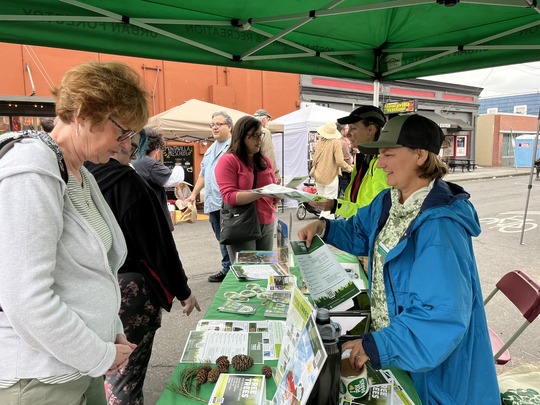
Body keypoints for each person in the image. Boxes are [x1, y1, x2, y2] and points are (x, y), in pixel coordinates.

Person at [298, 114, 500, 404]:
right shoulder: (389, 199)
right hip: (399, 346)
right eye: (380, 155)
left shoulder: (440, 229)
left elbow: (440, 315)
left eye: (389, 154)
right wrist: (325, 227)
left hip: (432, 369)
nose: (380, 164)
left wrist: (378, 346)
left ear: (420, 155)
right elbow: (359, 230)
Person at [0, 61, 149, 405]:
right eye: (122, 131)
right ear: (84, 113)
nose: (125, 145)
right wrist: (98, 354)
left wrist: (111, 336)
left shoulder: (79, 172)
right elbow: (26, 298)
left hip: (78, 365)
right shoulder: (32, 171)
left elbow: (94, 272)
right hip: (40, 378)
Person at [86, 136, 200, 405]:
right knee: (125, 378)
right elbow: (159, 247)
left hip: (89, 287)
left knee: (98, 373)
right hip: (130, 289)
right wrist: (183, 290)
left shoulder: (81, 175)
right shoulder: (129, 183)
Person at [215, 115, 277, 261]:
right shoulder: (228, 160)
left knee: (266, 268)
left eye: (260, 135)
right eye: (254, 136)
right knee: (247, 272)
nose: (259, 140)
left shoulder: (265, 161)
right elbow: (229, 196)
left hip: (267, 221)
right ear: (241, 136)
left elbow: (273, 192)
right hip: (242, 223)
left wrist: (279, 193)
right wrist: (261, 193)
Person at [309, 105, 388, 219]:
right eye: (348, 128)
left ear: (370, 130)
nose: (348, 133)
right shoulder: (363, 160)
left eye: (354, 128)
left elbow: (373, 214)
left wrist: (336, 206)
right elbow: (354, 203)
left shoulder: (382, 166)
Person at [186, 111, 233, 282]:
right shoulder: (211, 149)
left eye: (219, 124)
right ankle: (226, 268)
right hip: (213, 202)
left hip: (228, 202)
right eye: (212, 124)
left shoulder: (234, 147)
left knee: (231, 237)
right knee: (221, 237)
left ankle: (233, 269)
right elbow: (203, 175)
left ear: (229, 126)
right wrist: (193, 195)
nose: (214, 127)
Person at [132, 128, 184, 232]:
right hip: (152, 215)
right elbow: (174, 180)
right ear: (156, 147)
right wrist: (178, 167)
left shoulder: (133, 159)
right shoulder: (147, 162)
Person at [310, 122, 352, 218]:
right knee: (329, 205)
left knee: (322, 204)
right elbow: (339, 161)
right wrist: (350, 168)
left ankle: (321, 225)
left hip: (318, 176)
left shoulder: (319, 142)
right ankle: (326, 227)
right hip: (330, 176)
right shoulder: (336, 142)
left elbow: (314, 159)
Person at [254, 109, 281, 184]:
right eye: (268, 119)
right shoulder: (265, 131)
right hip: (265, 172)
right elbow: (268, 154)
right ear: (264, 120)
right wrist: (274, 174)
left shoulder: (249, 131)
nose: (268, 122)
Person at [337, 122, 353, 198]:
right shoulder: (343, 143)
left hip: (334, 174)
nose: (348, 130)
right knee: (348, 195)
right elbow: (347, 159)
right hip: (344, 173)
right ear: (342, 131)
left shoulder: (332, 142)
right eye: (347, 128)